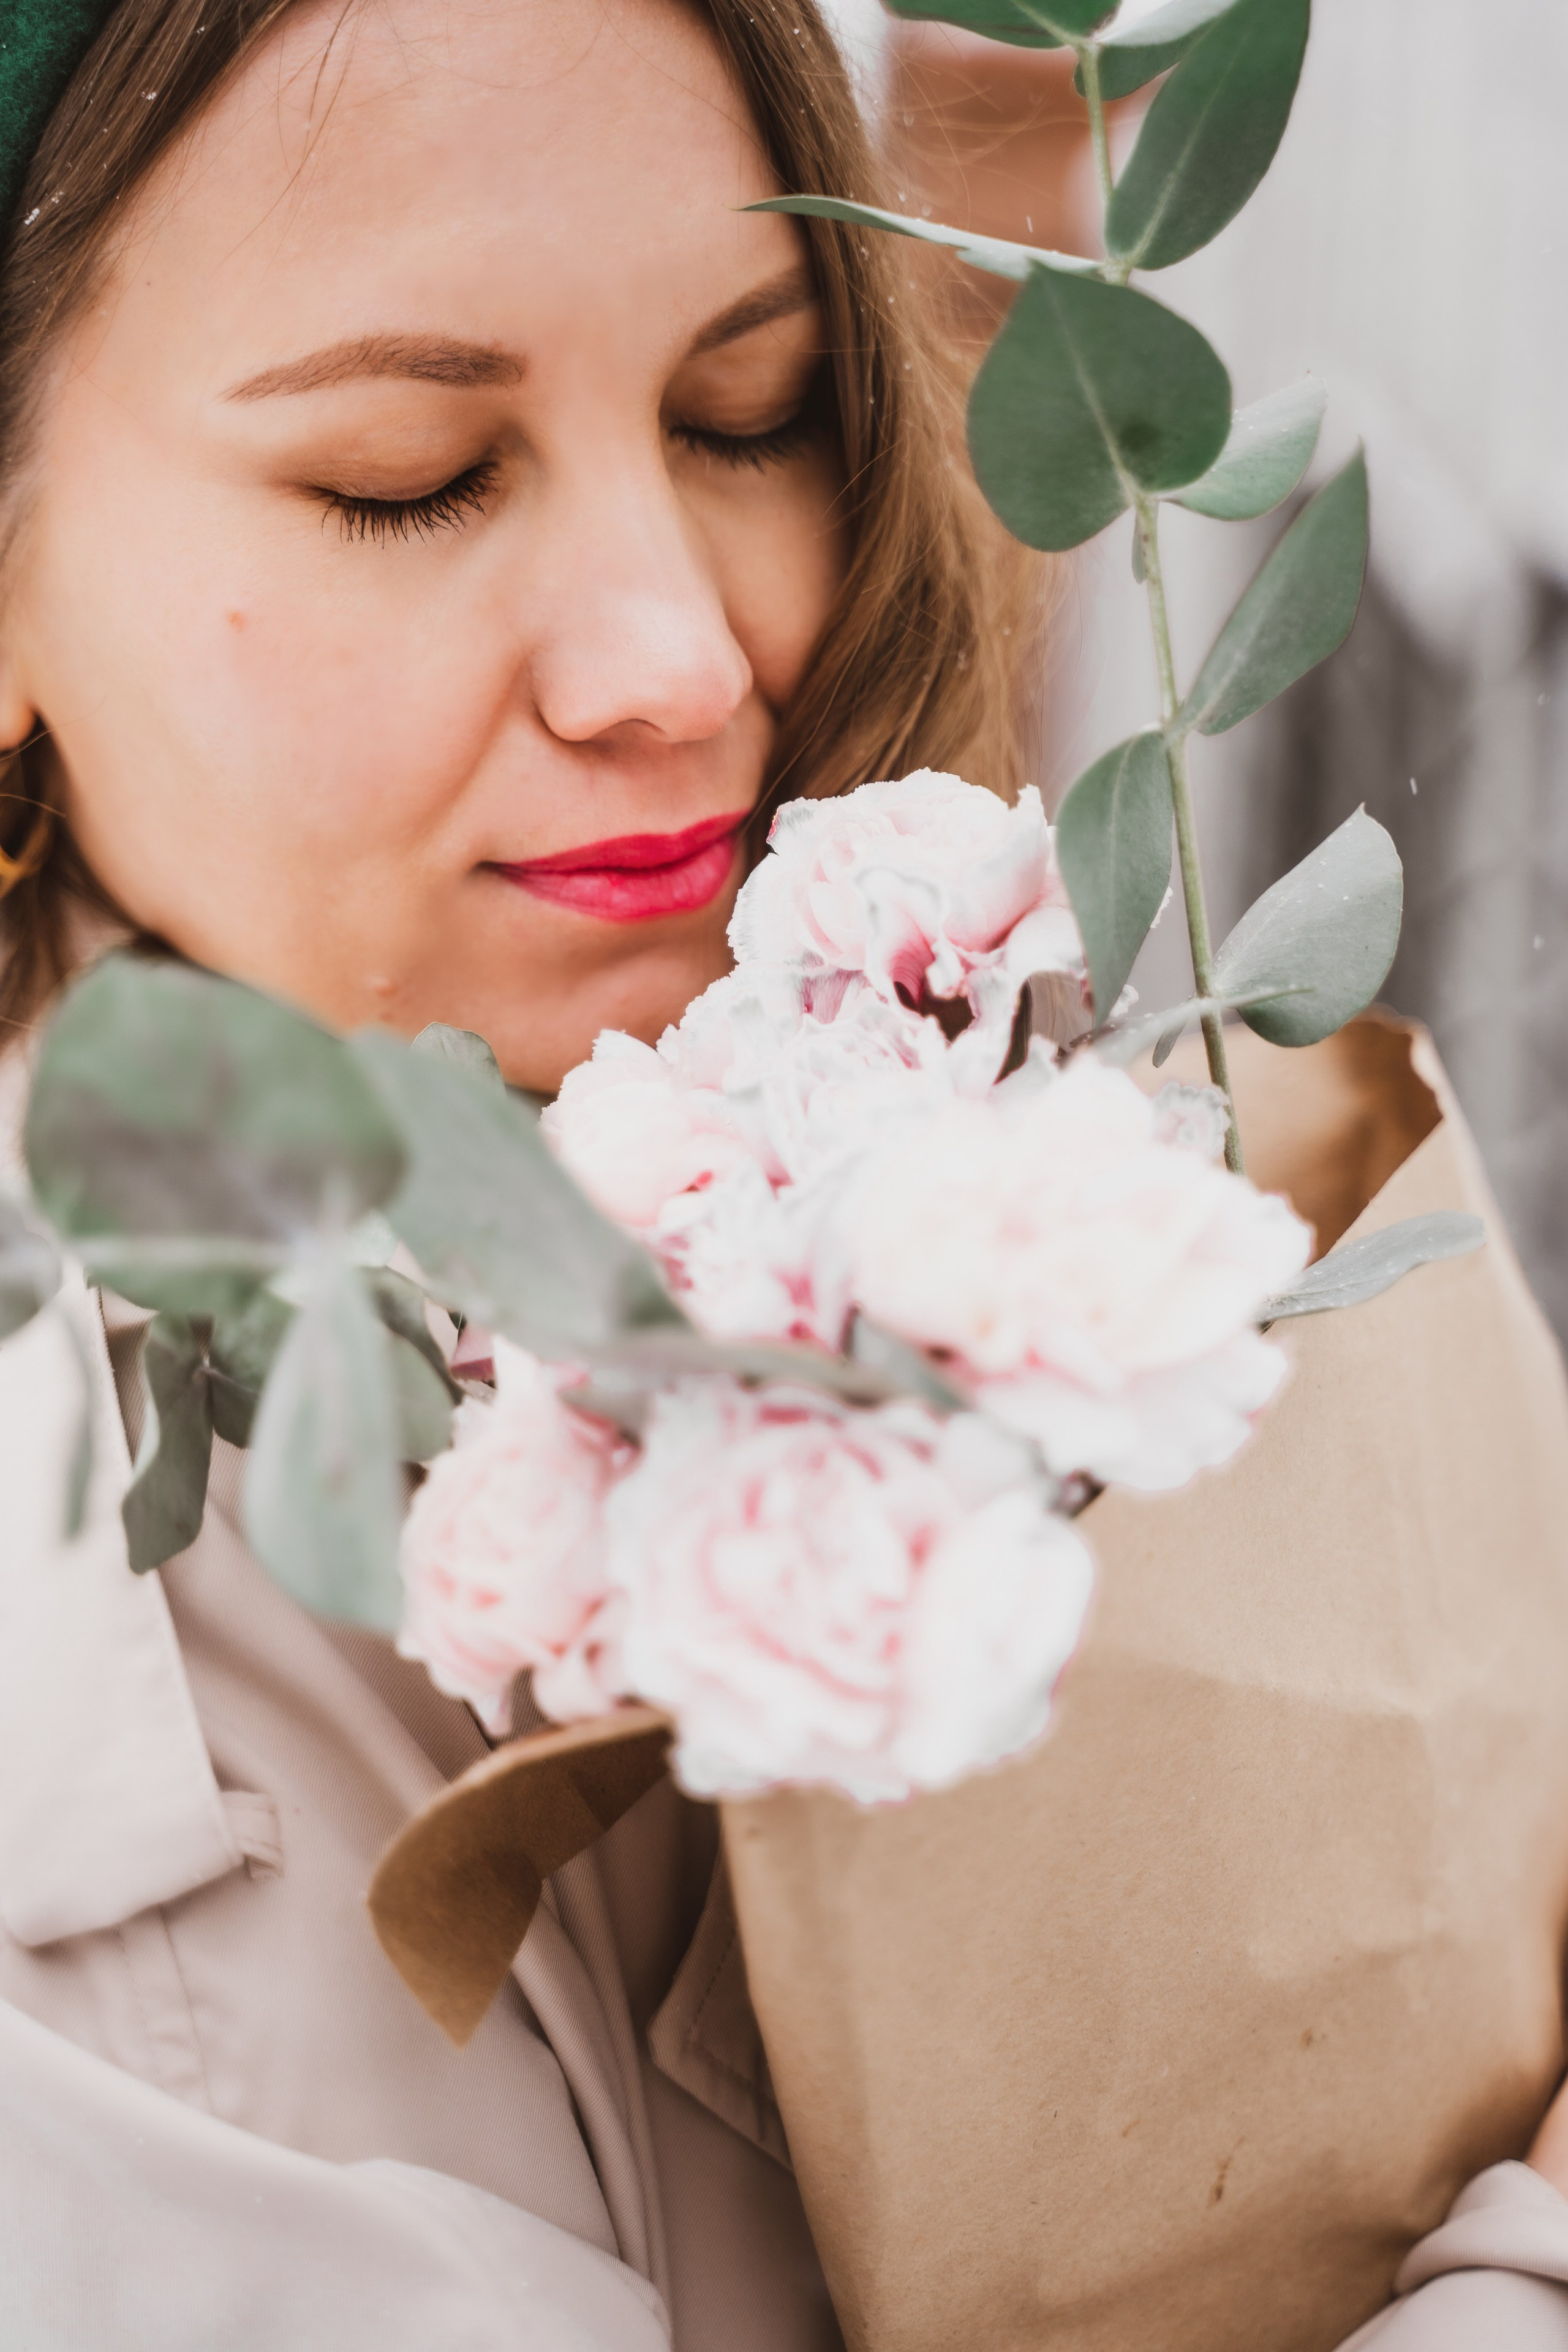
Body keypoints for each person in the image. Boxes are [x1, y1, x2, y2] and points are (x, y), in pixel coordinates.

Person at [0, 2, 1564, 2346]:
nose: (675, 658)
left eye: (756, 413)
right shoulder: (86, 1776)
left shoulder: (985, 1117)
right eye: (411, 473)